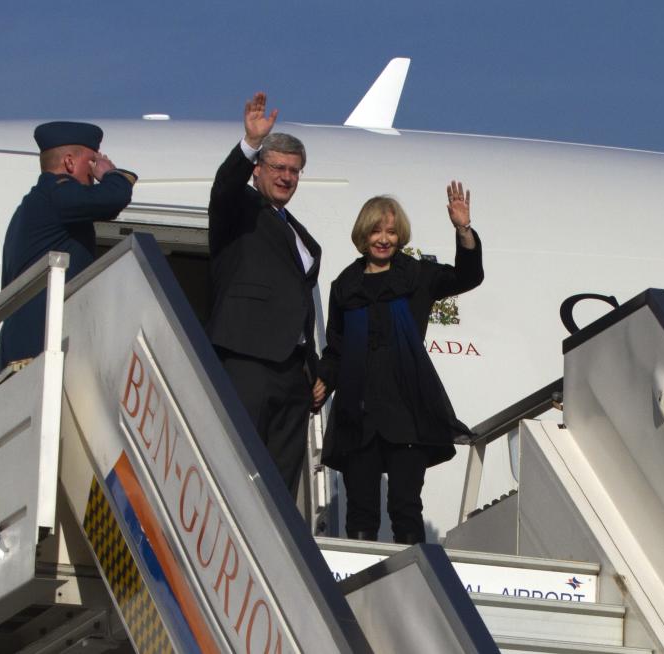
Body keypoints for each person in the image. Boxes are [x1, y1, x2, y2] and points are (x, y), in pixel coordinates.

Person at [316, 182, 484, 544]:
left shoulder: (417, 277)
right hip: (358, 411)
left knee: (405, 505)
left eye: (391, 231)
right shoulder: (345, 285)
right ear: (363, 234)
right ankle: (359, 590)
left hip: (407, 410)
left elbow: (468, 277)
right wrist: (322, 381)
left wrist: (463, 230)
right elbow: (337, 348)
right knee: (360, 508)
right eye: (376, 230)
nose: (383, 238)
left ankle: (413, 581)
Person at [207, 92, 323, 496]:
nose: (286, 177)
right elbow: (223, 189)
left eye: (294, 170)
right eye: (277, 167)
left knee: (279, 482)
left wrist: (314, 368)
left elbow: (301, 305)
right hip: (247, 357)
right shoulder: (240, 209)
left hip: (292, 372)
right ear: (258, 170)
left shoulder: (299, 232)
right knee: (239, 466)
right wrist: (250, 141)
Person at [0, 121, 137, 374]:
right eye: (92, 163)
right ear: (70, 162)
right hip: (39, 344)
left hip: (25, 345)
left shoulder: (35, 204)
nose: (94, 174)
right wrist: (112, 175)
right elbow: (113, 199)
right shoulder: (56, 193)